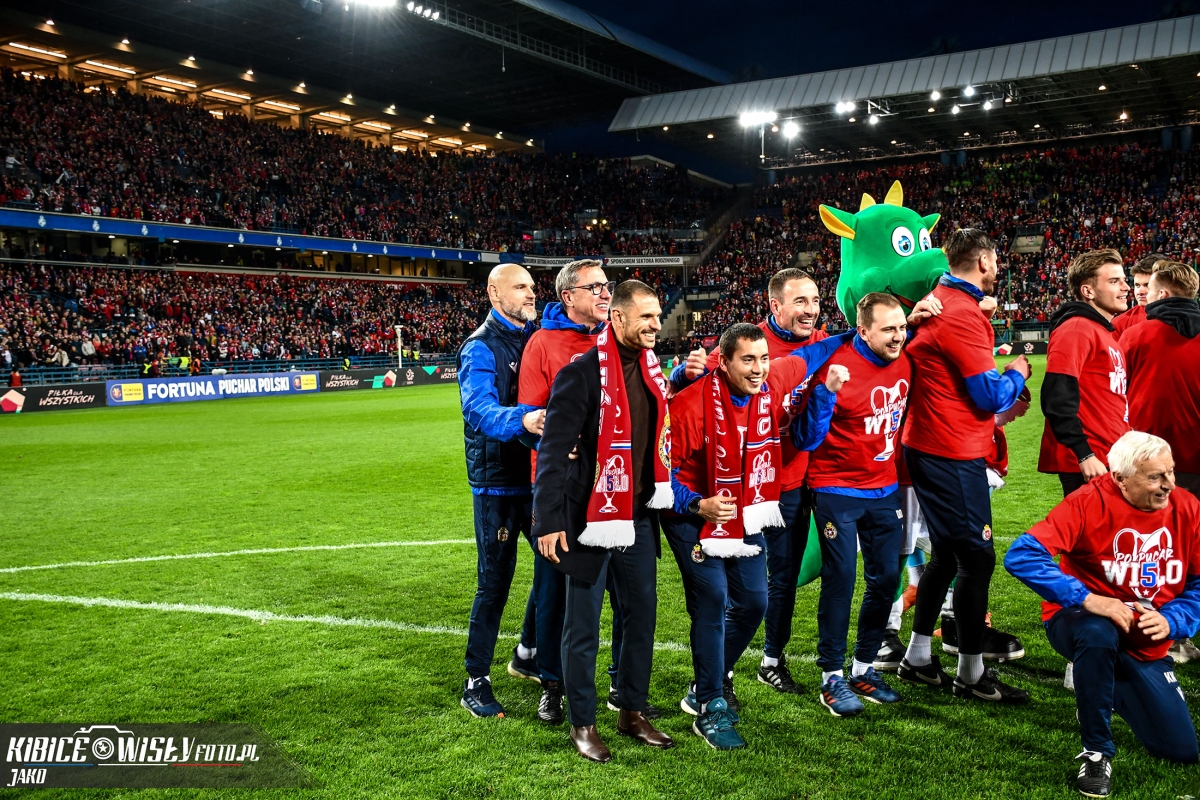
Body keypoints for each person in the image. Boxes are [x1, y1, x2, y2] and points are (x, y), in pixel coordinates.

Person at [1004, 432, 1200, 798]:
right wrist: (1087, 598)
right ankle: (1096, 752)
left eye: (1171, 472)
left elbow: (1199, 584)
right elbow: (1022, 555)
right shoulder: (1087, 502)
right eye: (1155, 476)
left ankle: (1098, 687)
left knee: (1180, 750)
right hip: (1079, 622)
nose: (1169, 484)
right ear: (1120, 478)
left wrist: (1173, 620)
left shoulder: (1188, 507)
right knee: (1098, 632)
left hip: (1143, 638)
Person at [665, 322, 832, 748]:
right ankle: (710, 705)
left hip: (743, 512)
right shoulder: (689, 406)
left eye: (763, 359)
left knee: (755, 601)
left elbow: (809, 356)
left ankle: (706, 682)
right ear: (723, 362)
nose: (759, 369)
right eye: (748, 360)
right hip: (691, 515)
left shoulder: (770, 384)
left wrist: (856, 335)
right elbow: (664, 476)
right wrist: (697, 504)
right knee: (713, 598)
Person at [533, 280, 673, 763]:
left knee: (641, 617)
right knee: (584, 627)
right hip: (588, 519)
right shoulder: (581, 374)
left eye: (658, 316)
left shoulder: (654, 371)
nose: (656, 325)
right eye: (647, 316)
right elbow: (553, 453)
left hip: (637, 518)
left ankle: (632, 710)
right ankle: (583, 723)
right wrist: (548, 520)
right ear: (617, 318)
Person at [898, 227, 1032, 702]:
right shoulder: (961, 314)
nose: (998, 268)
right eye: (995, 261)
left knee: (947, 555)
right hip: (951, 451)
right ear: (984, 261)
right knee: (977, 558)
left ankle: (917, 658)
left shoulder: (942, 301)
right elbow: (989, 396)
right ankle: (971, 675)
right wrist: (1017, 372)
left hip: (930, 445)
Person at [509, 259, 612, 725]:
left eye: (607, 286)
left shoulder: (614, 339)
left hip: (610, 485)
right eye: (595, 287)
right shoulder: (543, 343)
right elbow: (531, 415)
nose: (605, 294)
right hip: (562, 486)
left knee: (616, 590)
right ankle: (551, 683)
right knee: (553, 589)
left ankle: (619, 681)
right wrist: (563, 438)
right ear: (568, 296)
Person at [801, 294, 912, 716]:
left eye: (902, 327)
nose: (898, 336)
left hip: (884, 488)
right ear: (862, 331)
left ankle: (863, 668)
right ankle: (831, 676)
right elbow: (808, 437)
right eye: (888, 329)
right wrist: (827, 393)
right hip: (836, 489)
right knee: (842, 578)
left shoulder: (905, 358)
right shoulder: (836, 367)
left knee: (887, 579)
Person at [456, 264, 545, 719]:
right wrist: (522, 420)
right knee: (495, 582)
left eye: (532, 287)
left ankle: (527, 652)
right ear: (494, 293)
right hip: (498, 483)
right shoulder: (480, 347)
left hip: (535, 477)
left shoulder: (536, 337)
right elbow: (477, 409)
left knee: (556, 565)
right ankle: (475, 680)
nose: (531, 294)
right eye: (520, 287)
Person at [1039, 249, 1131, 498]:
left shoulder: (1102, 331)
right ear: (1088, 291)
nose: (1126, 288)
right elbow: (1056, 397)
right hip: (1090, 460)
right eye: (1114, 281)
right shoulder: (1076, 329)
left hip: (1110, 454)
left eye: (1124, 280)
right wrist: (1084, 454)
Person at [1112, 253, 1163, 339]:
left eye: (1147, 285)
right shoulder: (1119, 324)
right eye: (1137, 285)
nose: (1140, 292)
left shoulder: (1185, 321)